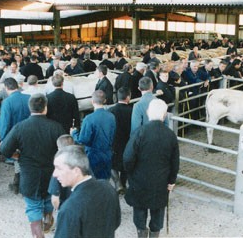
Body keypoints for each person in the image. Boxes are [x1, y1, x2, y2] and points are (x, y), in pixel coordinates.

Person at [0, 94, 65, 238]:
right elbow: (66, 151)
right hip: (51, 173)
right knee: (48, 198)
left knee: (33, 206)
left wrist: (17, 156)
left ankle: (38, 234)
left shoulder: (20, 127)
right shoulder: (56, 127)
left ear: (30, 108)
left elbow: (4, 149)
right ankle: (48, 219)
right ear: (45, 108)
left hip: (30, 175)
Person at [124, 99, 180, 238]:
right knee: (158, 211)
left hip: (139, 181)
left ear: (148, 113)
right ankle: (155, 234)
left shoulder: (139, 133)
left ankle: (141, 233)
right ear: (165, 115)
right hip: (161, 182)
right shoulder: (170, 135)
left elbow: (127, 158)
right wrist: (171, 181)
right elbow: (175, 162)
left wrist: (131, 174)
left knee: (140, 210)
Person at [52, 145, 121, 238]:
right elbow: (116, 222)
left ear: (76, 171)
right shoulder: (108, 187)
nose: (54, 174)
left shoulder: (69, 208)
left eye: (59, 168)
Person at [72, 90, 116, 180]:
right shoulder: (111, 116)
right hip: (107, 154)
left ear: (92, 101)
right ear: (105, 101)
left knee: (94, 182)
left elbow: (83, 140)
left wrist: (74, 133)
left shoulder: (88, 119)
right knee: (105, 181)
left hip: (93, 157)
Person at [0, 77, 31, 194]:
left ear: (6, 88)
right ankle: (19, 183)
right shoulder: (29, 98)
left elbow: (4, 123)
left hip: (15, 137)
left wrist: (3, 140)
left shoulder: (7, 102)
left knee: (18, 160)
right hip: (30, 135)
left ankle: (19, 185)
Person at [108, 87, 133, 194]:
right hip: (128, 141)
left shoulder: (111, 111)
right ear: (128, 97)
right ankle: (122, 183)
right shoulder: (132, 110)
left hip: (114, 142)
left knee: (112, 164)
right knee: (125, 164)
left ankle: (117, 183)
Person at [48, 134, 75, 211]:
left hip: (66, 207)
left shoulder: (59, 168)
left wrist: (57, 208)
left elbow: (55, 198)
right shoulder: (82, 161)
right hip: (81, 205)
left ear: (59, 148)